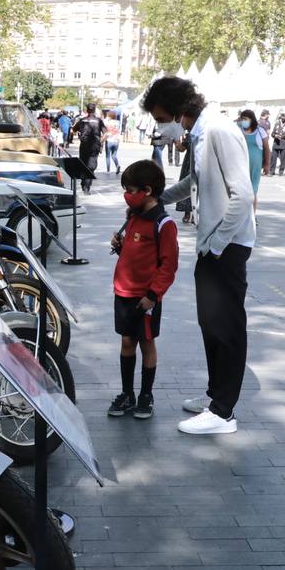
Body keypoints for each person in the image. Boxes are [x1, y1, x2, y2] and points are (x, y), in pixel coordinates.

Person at [141, 76, 254, 435]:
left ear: (178, 110)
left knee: (227, 326)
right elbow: (192, 183)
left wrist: (218, 244)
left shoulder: (219, 131)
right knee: (210, 323)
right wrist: (157, 201)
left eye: (161, 118)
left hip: (227, 246)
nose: (161, 127)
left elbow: (243, 195)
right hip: (211, 245)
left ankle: (223, 413)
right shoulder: (201, 133)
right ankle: (215, 396)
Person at [108, 160, 179, 420]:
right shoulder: (133, 216)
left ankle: (145, 395)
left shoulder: (164, 223)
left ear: (147, 190)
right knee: (127, 342)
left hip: (146, 297)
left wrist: (153, 295)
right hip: (123, 292)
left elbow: (168, 266)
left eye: (130, 189)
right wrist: (119, 244)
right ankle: (127, 394)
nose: (127, 194)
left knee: (146, 344)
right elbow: (132, 252)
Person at [236, 109, 268, 215]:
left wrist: (267, 165)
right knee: (240, 191)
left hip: (255, 167)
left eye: (245, 119)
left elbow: (267, 149)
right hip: (240, 166)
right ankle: (242, 215)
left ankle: (252, 216)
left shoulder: (260, 131)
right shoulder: (238, 130)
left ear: (252, 119)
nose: (243, 121)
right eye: (242, 119)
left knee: (253, 191)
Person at [72, 104, 105, 193]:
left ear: (87, 110)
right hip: (95, 146)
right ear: (94, 110)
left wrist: (80, 136)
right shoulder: (99, 121)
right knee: (92, 166)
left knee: (83, 164)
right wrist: (100, 142)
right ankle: (86, 186)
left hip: (84, 146)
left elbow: (73, 130)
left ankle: (84, 183)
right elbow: (106, 133)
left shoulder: (82, 120)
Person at [103, 110, 123, 174]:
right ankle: (117, 165)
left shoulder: (107, 122)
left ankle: (108, 170)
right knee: (114, 155)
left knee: (107, 156)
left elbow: (104, 129)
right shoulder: (118, 122)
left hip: (109, 140)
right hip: (116, 141)